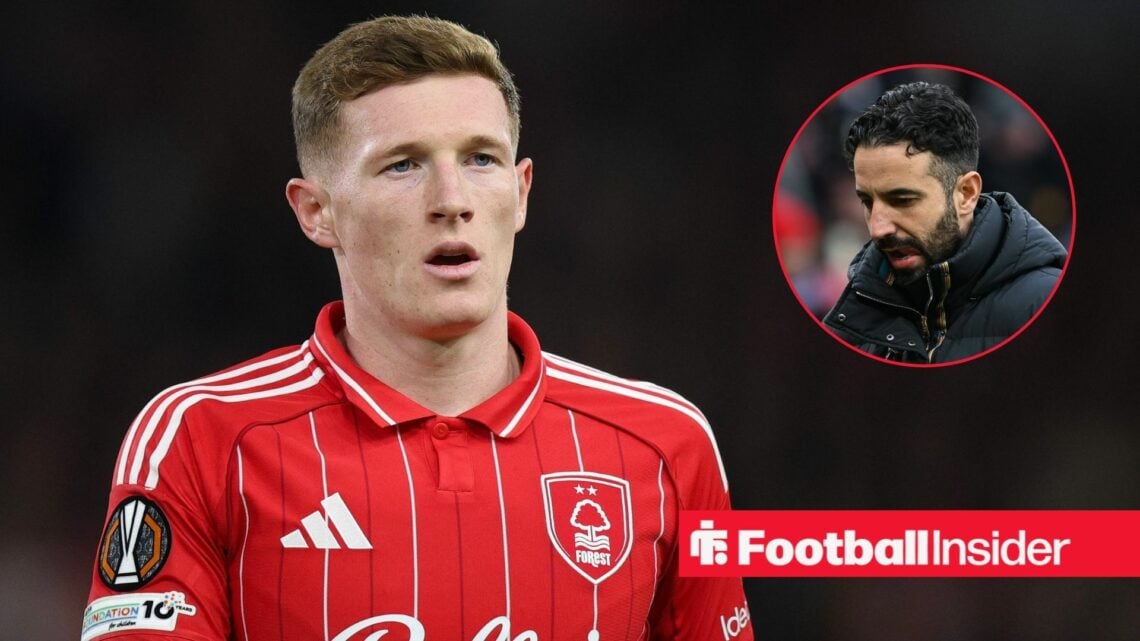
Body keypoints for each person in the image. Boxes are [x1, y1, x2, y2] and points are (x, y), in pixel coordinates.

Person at [82, 15, 751, 641]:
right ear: (316, 212)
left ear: (521, 192)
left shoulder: (668, 444)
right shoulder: (200, 438)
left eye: (481, 159)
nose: (452, 201)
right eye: (403, 164)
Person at [821, 81, 1068, 364]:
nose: (877, 230)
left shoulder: (1045, 303)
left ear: (966, 194)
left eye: (903, 200)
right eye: (867, 202)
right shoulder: (854, 315)